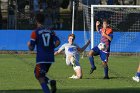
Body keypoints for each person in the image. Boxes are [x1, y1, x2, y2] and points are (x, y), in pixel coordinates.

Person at [27, 13, 60, 93]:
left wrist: (28, 45)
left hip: (41, 58)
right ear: (44, 20)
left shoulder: (35, 32)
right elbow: (58, 42)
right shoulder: (50, 31)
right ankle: (50, 82)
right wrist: (51, 48)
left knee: (40, 77)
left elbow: (31, 48)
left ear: (36, 21)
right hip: (50, 58)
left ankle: (47, 89)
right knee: (38, 73)